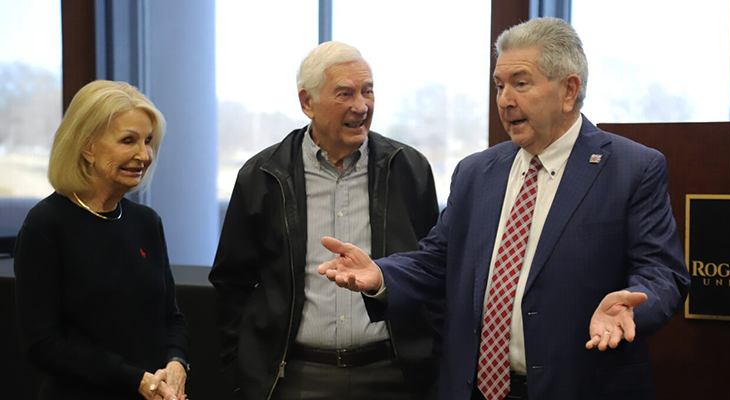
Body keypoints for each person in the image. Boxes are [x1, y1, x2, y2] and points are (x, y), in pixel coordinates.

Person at [318, 18, 691, 400]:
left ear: (568, 90)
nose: (504, 99)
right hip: (473, 390)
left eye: (521, 83)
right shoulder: (477, 172)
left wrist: (632, 308)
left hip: (580, 385)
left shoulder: (631, 168)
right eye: (499, 85)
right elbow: (436, 262)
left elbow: (663, 274)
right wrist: (380, 274)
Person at [208, 41, 441, 400]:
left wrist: (433, 358)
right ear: (307, 102)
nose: (361, 106)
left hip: (393, 376)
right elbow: (232, 283)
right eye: (344, 94)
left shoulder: (408, 169)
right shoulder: (263, 176)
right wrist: (241, 372)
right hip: (296, 377)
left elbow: (435, 270)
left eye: (368, 91)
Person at [14, 80, 190, 400]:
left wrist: (177, 364)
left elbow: (171, 317)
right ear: (87, 147)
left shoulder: (146, 222)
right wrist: (132, 378)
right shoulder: (46, 224)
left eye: (148, 141)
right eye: (128, 140)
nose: (144, 155)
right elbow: (41, 344)